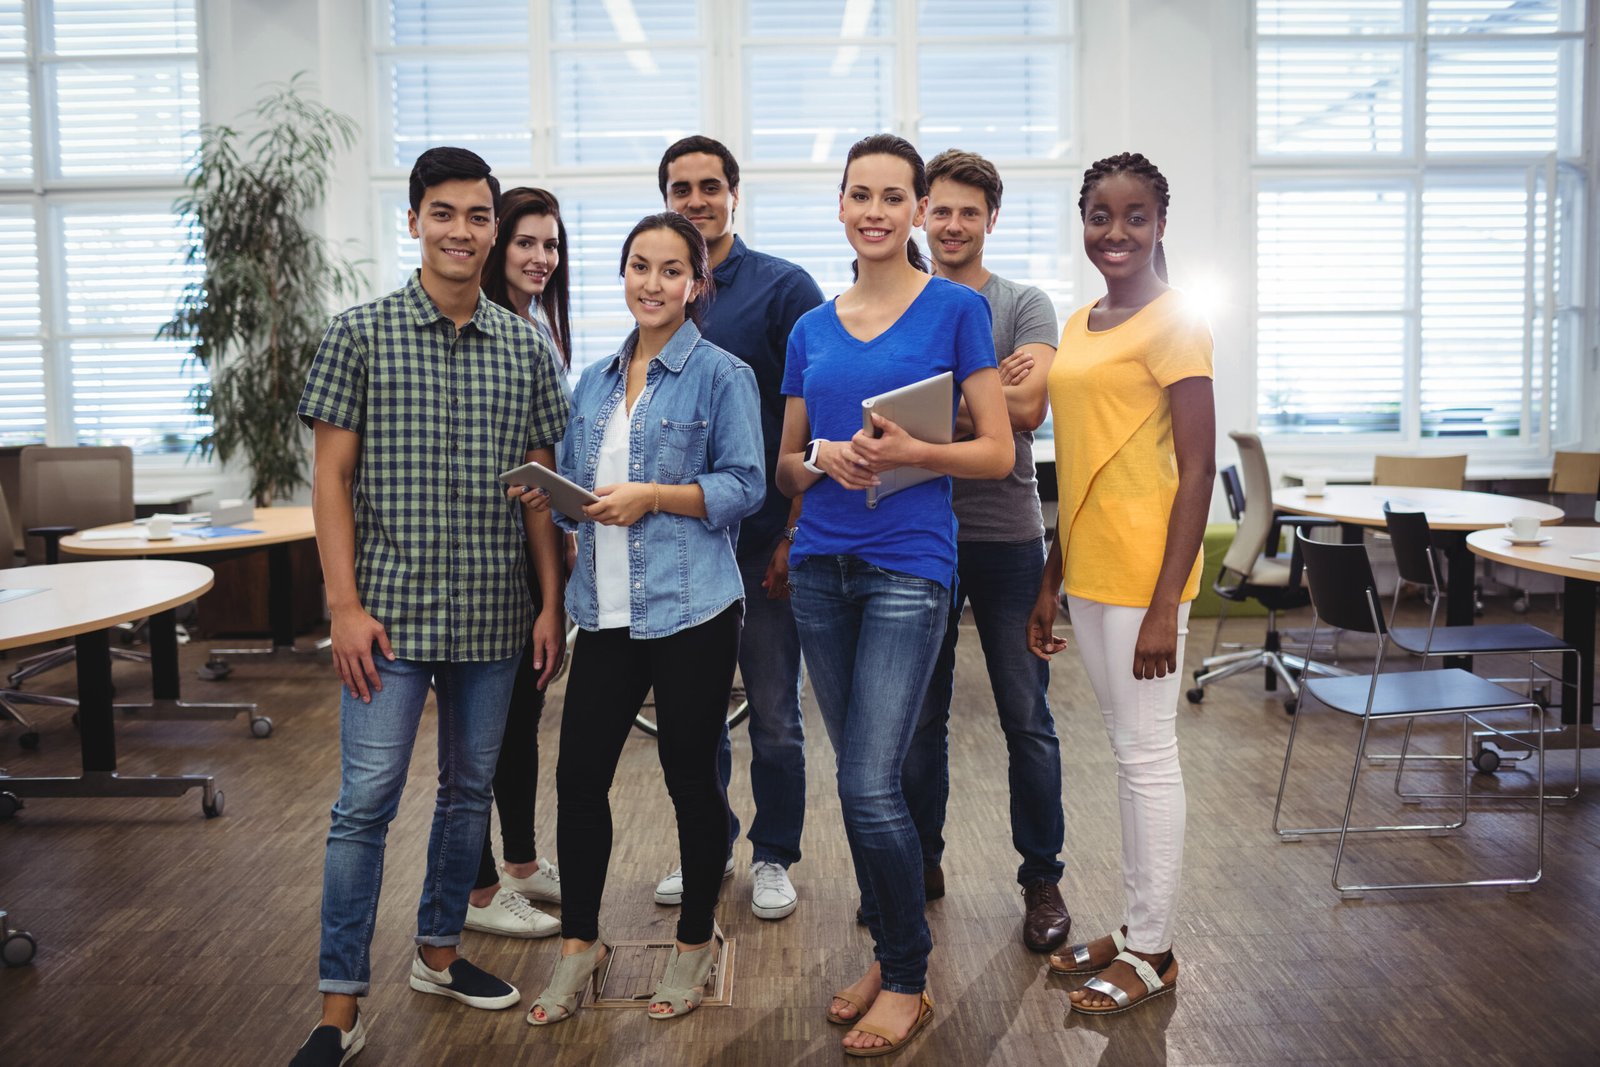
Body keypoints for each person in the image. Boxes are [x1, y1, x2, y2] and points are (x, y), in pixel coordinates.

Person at [289, 147, 570, 1066]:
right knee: (363, 803)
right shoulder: (360, 333)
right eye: (443, 213)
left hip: (493, 614)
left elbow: (539, 491)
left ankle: (441, 955)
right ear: (413, 221)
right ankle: (339, 1006)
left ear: (494, 227)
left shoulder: (527, 344)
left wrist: (551, 601)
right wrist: (341, 604)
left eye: (478, 215)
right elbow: (329, 479)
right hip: (387, 618)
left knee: (465, 798)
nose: (462, 230)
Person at [775, 134, 1013, 1057]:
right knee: (861, 778)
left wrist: (913, 452)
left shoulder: (955, 309)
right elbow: (786, 467)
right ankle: (887, 952)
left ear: (919, 211)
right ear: (840, 206)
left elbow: (993, 450)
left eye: (893, 196)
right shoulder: (811, 327)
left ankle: (907, 972)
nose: (875, 210)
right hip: (820, 568)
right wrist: (819, 458)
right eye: (858, 194)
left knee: (871, 781)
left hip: (911, 564)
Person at [517, 211, 764, 1025]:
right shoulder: (591, 380)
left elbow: (745, 486)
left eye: (669, 270)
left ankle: (696, 941)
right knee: (578, 777)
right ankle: (579, 948)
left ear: (697, 284)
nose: (650, 283)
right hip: (606, 611)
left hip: (693, 607)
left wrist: (655, 496)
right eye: (637, 266)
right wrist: (551, 496)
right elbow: (584, 499)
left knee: (691, 777)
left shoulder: (722, 374)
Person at [1028, 152, 1214, 1016]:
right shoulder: (1079, 322)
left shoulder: (1179, 323)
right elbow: (1077, 464)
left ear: (1160, 224)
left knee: (1147, 759)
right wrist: (1049, 578)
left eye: (1135, 216)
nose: (1116, 231)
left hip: (1147, 577)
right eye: (1101, 215)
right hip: (1089, 569)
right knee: (1126, 755)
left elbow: (1200, 465)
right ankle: (1140, 926)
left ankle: (1154, 949)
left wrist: (1166, 606)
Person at [899, 148, 1070, 953]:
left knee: (1026, 717)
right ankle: (920, 864)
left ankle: (1042, 877)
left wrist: (944, 404)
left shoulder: (1025, 303)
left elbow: (1031, 405)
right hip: (917, 535)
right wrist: (981, 395)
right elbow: (879, 416)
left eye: (971, 212)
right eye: (942, 209)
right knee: (917, 720)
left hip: (1006, 539)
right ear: (921, 213)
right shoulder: (899, 302)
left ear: (991, 219)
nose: (954, 224)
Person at [652, 135, 825, 921]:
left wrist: (793, 532)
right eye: (681, 188)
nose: (696, 200)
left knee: (775, 716)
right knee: (691, 718)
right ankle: (709, 845)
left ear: (734, 193)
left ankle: (773, 854)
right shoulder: (663, 289)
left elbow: (812, 420)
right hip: (685, 544)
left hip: (762, 544)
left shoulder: (784, 288)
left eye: (709, 186)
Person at [460, 187, 575, 940]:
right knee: (474, 736)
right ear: (498, 244)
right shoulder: (478, 332)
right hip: (477, 558)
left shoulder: (536, 332)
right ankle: (474, 888)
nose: (539, 257)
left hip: (529, 553)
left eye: (551, 245)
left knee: (521, 717)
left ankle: (523, 862)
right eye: (526, 242)